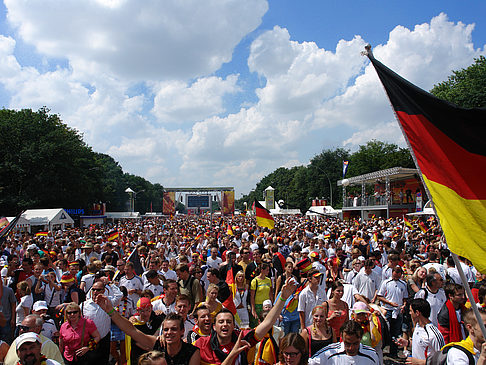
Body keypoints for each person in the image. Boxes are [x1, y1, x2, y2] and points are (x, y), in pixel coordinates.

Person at [193, 277, 297, 365]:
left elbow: (267, 323)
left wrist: (282, 298)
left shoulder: (242, 338)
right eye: (221, 322)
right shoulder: (201, 345)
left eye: (229, 322)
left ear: (234, 326)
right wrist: (233, 353)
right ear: (214, 326)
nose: (225, 325)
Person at [395, 298, 444, 364]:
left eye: (411, 311)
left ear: (417, 313)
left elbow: (442, 360)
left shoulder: (433, 334)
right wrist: (408, 343)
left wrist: (419, 362)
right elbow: (422, 345)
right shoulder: (417, 326)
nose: (409, 313)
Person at [309, 320, 379, 365]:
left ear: (361, 338)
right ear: (341, 337)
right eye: (347, 343)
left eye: (355, 343)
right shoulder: (328, 353)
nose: (351, 348)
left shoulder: (371, 355)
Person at [377, 265, 408, 358]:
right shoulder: (386, 283)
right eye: (395, 272)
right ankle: (381, 350)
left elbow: (405, 297)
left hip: (398, 311)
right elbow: (380, 296)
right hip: (387, 309)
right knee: (385, 330)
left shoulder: (403, 284)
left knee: (396, 331)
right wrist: (389, 303)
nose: (397, 274)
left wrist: (404, 305)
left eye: (399, 272)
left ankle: (393, 352)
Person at [80, 281, 112, 363]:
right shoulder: (84, 305)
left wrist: (111, 284)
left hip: (104, 339)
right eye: (93, 289)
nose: (95, 292)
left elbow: (119, 295)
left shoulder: (109, 303)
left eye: (98, 290)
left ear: (104, 291)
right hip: (89, 340)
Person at [250, 262, 273, 327]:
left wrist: (272, 304)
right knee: (257, 325)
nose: (268, 272)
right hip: (258, 306)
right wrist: (253, 309)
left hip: (267, 305)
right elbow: (252, 296)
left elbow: (271, 293)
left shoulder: (268, 280)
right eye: (267, 270)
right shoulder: (255, 281)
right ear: (262, 270)